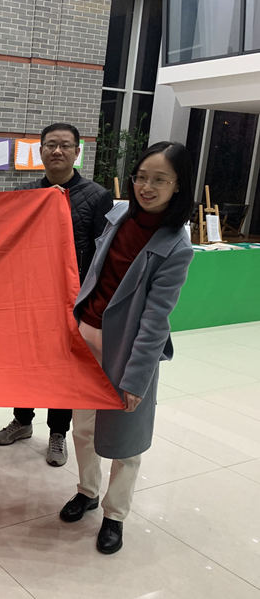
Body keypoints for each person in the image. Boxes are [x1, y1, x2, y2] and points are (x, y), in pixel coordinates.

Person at [60, 141, 194, 554]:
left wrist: (137, 377)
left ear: (178, 185)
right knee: (83, 426)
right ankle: (87, 490)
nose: (146, 187)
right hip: (87, 334)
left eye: (159, 180)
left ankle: (115, 514)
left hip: (129, 350)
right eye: (141, 177)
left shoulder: (176, 245)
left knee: (125, 438)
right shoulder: (118, 215)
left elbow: (156, 319)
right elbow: (95, 274)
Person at [0, 123, 113, 466]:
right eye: (50, 145)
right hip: (29, 295)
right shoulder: (26, 192)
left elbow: (102, 253)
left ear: (77, 152)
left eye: (64, 145)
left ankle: (58, 433)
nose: (57, 151)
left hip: (72, 299)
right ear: (41, 151)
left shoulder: (97, 195)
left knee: (63, 367)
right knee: (26, 362)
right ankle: (22, 420)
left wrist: (91, 300)